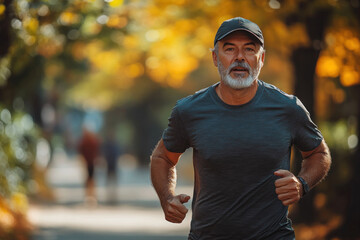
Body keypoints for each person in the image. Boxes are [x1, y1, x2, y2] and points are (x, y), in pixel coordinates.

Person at [150, 17, 331, 239]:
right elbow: (162, 158)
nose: (239, 57)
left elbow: (319, 153)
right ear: (215, 58)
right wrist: (167, 198)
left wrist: (302, 184)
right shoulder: (189, 111)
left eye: (249, 49)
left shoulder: (287, 108)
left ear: (261, 58)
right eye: (229, 49)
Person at [78, 127, 100, 205]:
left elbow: (97, 151)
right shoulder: (85, 142)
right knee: (89, 179)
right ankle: (89, 195)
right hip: (87, 163)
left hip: (91, 163)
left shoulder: (92, 141)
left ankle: (91, 195)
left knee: (91, 179)